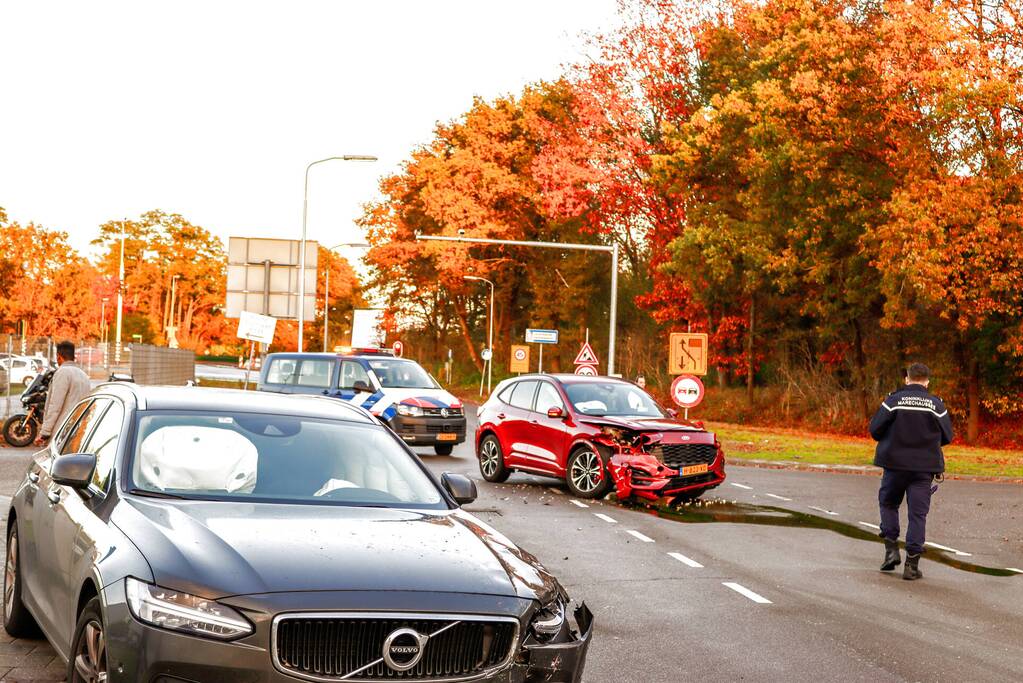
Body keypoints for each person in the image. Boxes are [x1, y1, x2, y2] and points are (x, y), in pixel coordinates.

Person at [868, 363, 954, 580]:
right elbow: (948, 436)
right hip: (923, 469)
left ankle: (891, 552)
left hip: (894, 466)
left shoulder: (893, 401)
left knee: (888, 504)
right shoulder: (936, 405)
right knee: (918, 515)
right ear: (927, 381)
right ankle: (911, 566)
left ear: (907, 379)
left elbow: (875, 430)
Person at [33, 341, 92, 448]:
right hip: (77, 432)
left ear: (59, 357)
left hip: (61, 432)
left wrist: (45, 432)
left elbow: (55, 406)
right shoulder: (83, 375)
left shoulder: (62, 373)